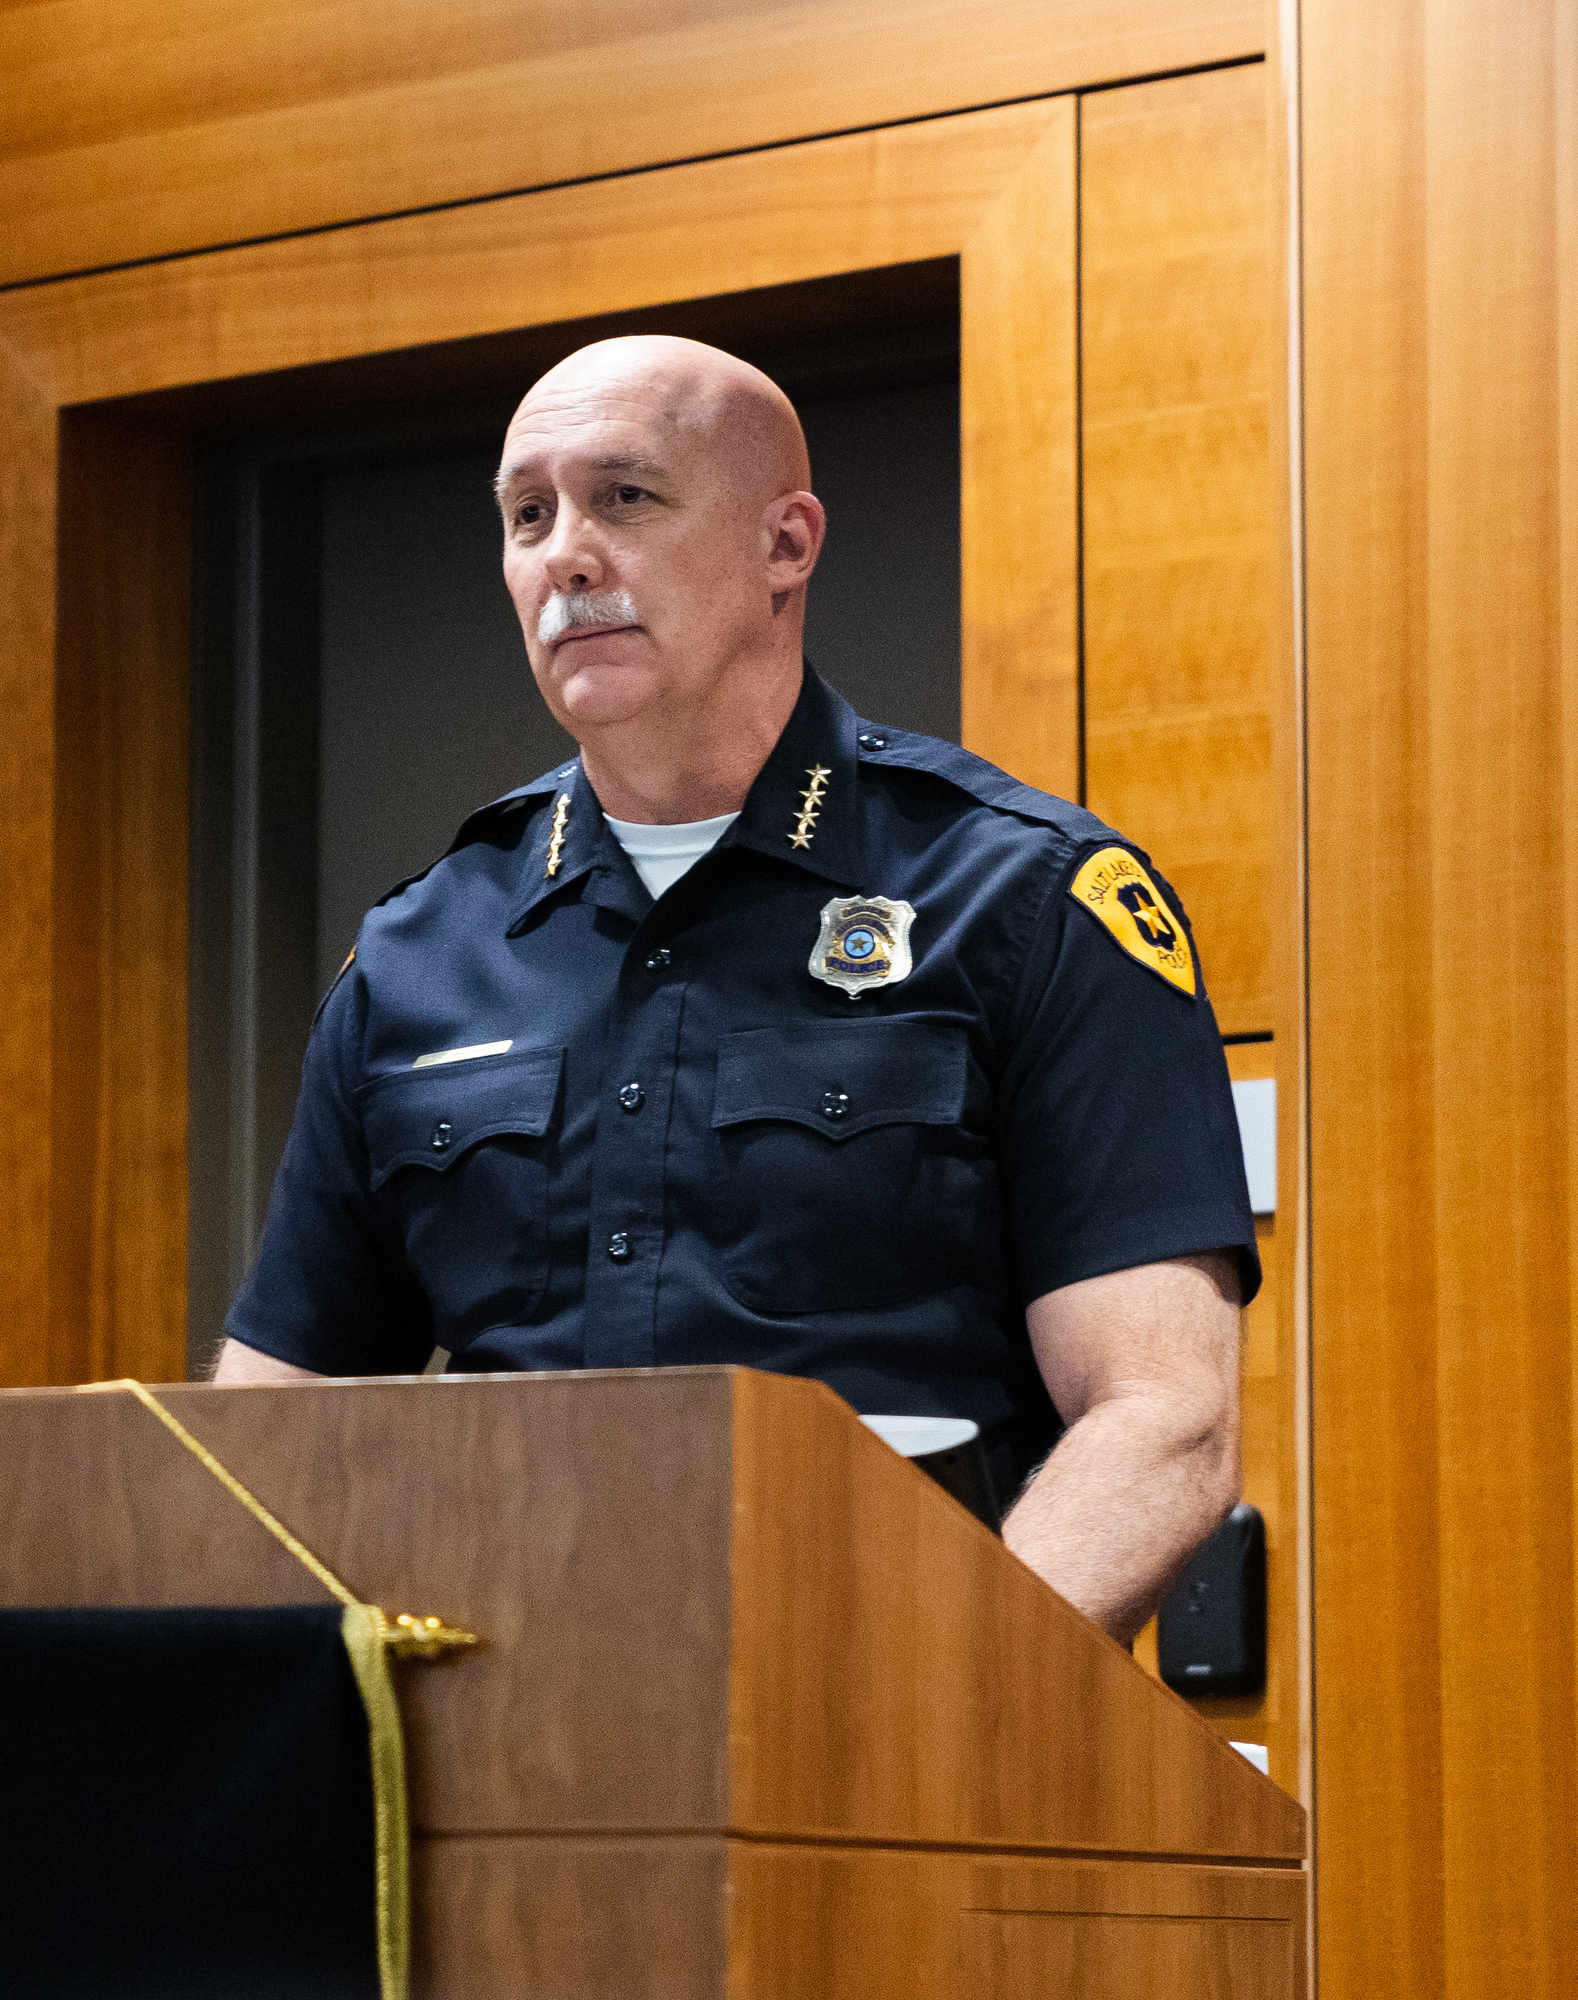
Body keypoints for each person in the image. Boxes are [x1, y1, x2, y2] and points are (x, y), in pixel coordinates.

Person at [215, 335, 1255, 1647]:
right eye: (526, 515)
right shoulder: (421, 950)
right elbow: (266, 1433)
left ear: (787, 544)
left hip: (907, 1743)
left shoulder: (1030, 901)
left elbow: (1165, 1419)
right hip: (505, 1753)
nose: (566, 555)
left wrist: (934, 1709)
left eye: (625, 498)